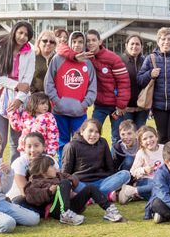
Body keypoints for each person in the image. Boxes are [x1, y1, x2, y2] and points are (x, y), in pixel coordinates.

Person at [71, 29, 131, 147]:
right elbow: (65, 51)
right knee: (91, 133)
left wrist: (121, 104)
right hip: (99, 105)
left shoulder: (112, 58)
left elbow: (123, 82)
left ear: (100, 41)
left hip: (115, 106)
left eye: (94, 40)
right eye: (87, 41)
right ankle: (93, 159)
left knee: (117, 137)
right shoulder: (84, 57)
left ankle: (115, 163)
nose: (90, 43)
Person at [24, 155, 124, 224]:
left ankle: (109, 210)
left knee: (90, 188)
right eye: (51, 166)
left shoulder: (59, 175)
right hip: (56, 210)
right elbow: (31, 196)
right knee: (64, 183)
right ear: (43, 170)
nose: (55, 168)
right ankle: (65, 215)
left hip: (72, 205)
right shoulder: (35, 182)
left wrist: (69, 184)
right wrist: (49, 191)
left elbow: (73, 178)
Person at [44, 31, 97, 162]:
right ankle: (63, 169)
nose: (77, 45)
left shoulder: (88, 63)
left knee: (81, 143)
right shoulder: (58, 59)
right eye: (74, 42)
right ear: (69, 43)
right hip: (59, 111)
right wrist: (56, 101)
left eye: (80, 42)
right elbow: (49, 83)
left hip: (79, 112)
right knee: (61, 143)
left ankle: (78, 170)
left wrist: (84, 104)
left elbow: (92, 88)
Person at [0, 21, 35, 162]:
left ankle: (14, 175)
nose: (22, 37)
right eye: (20, 32)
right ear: (14, 32)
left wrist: (19, 98)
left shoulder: (29, 52)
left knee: (17, 141)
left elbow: (27, 80)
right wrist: (16, 85)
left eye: (26, 34)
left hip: (19, 100)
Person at [60, 119, 131, 199]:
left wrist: (113, 181)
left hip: (102, 182)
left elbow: (110, 166)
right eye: (90, 131)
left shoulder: (103, 142)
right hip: (81, 183)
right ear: (82, 131)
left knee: (125, 174)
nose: (93, 134)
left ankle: (92, 197)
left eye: (97, 132)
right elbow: (65, 172)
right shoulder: (71, 146)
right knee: (69, 182)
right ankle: (101, 195)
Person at [9, 132, 56, 211]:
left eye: (36, 146)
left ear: (44, 147)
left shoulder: (49, 159)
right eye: (29, 146)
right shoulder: (19, 163)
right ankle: (45, 209)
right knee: (18, 202)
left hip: (45, 193)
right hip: (24, 196)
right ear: (24, 148)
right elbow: (24, 192)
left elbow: (57, 178)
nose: (33, 150)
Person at [121, 126, 165, 204]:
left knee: (163, 189)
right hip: (146, 180)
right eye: (145, 139)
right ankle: (136, 191)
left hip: (163, 179)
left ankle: (135, 192)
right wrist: (144, 170)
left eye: (151, 136)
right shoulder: (141, 153)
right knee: (159, 188)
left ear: (156, 137)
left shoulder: (164, 149)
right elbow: (133, 171)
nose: (149, 140)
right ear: (141, 142)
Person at [120, 34, 149, 128]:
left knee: (140, 136)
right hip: (125, 108)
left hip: (142, 108)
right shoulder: (120, 61)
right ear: (126, 45)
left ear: (141, 46)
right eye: (132, 44)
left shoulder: (146, 62)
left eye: (137, 44)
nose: (134, 46)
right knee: (128, 135)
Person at [17, 93, 58, 157]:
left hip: (41, 150)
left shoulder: (49, 117)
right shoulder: (26, 114)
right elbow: (18, 127)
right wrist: (12, 112)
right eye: (42, 104)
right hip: (25, 149)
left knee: (39, 166)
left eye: (47, 104)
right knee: (26, 166)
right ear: (34, 104)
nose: (45, 106)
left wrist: (51, 152)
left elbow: (53, 134)